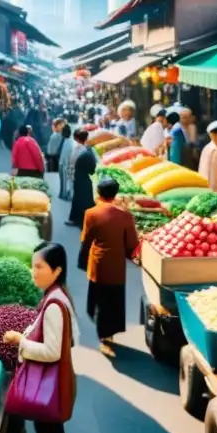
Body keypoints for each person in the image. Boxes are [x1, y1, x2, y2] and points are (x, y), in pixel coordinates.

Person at [1, 242, 78, 433]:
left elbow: (52, 352)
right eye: (32, 265)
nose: (33, 272)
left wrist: (20, 341)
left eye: (39, 267)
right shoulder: (56, 296)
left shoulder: (55, 304)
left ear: (56, 271)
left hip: (49, 384)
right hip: (53, 383)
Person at [79, 178, 139, 356]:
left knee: (99, 302)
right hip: (116, 267)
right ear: (115, 195)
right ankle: (109, 336)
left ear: (98, 193)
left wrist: (82, 262)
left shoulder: (91, 213)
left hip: (97, 264)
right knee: (113, 302)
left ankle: (103, 337)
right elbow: (132, 244)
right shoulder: (126, 216)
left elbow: (86, 240)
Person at [67, 129, 97, 226]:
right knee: (83, 199)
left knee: (78, 199)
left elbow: (72, 162)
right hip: (85, 177)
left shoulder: (76, 148)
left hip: (78, 177)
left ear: (75, 138)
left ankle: (77, 220)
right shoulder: (86, 149)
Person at [57, 125, 75, 201]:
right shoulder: (66, 141)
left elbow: (66, 155)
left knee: (65, 180)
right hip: (63, 163)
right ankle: (62, 193)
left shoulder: (68, 142)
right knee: (63, 180)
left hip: (65, 164)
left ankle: (64, 194)